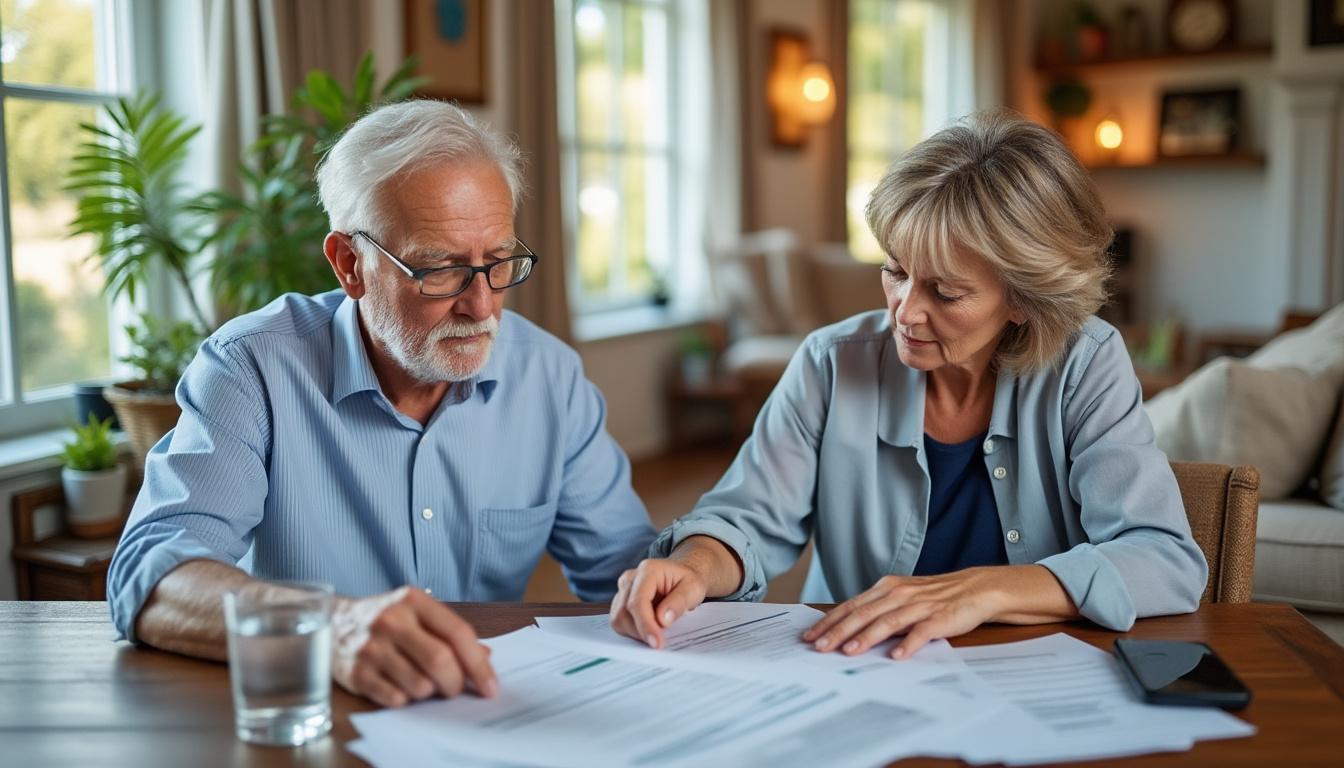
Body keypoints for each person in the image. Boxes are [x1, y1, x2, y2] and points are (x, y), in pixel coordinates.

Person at [108, 100, 656, 708]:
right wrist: (331, 628)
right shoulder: (252, 367)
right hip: (311, 713)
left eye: (498, 262)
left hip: (491, 714)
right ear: (350, 265)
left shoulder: (548, 377)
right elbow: (150, 575)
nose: (481, 306)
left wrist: (689, 570)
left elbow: (629, 573)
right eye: (440, 268)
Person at [610, 111, 1206, 658]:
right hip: (861, 669)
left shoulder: (1086, 364)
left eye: (945, 292)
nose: (904, 311)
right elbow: (747, 521)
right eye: (895, 271)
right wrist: (694, 563)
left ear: (1024, 300)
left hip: (1036, 674)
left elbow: (1163, 559)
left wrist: (984, 591)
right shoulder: (831, 362)